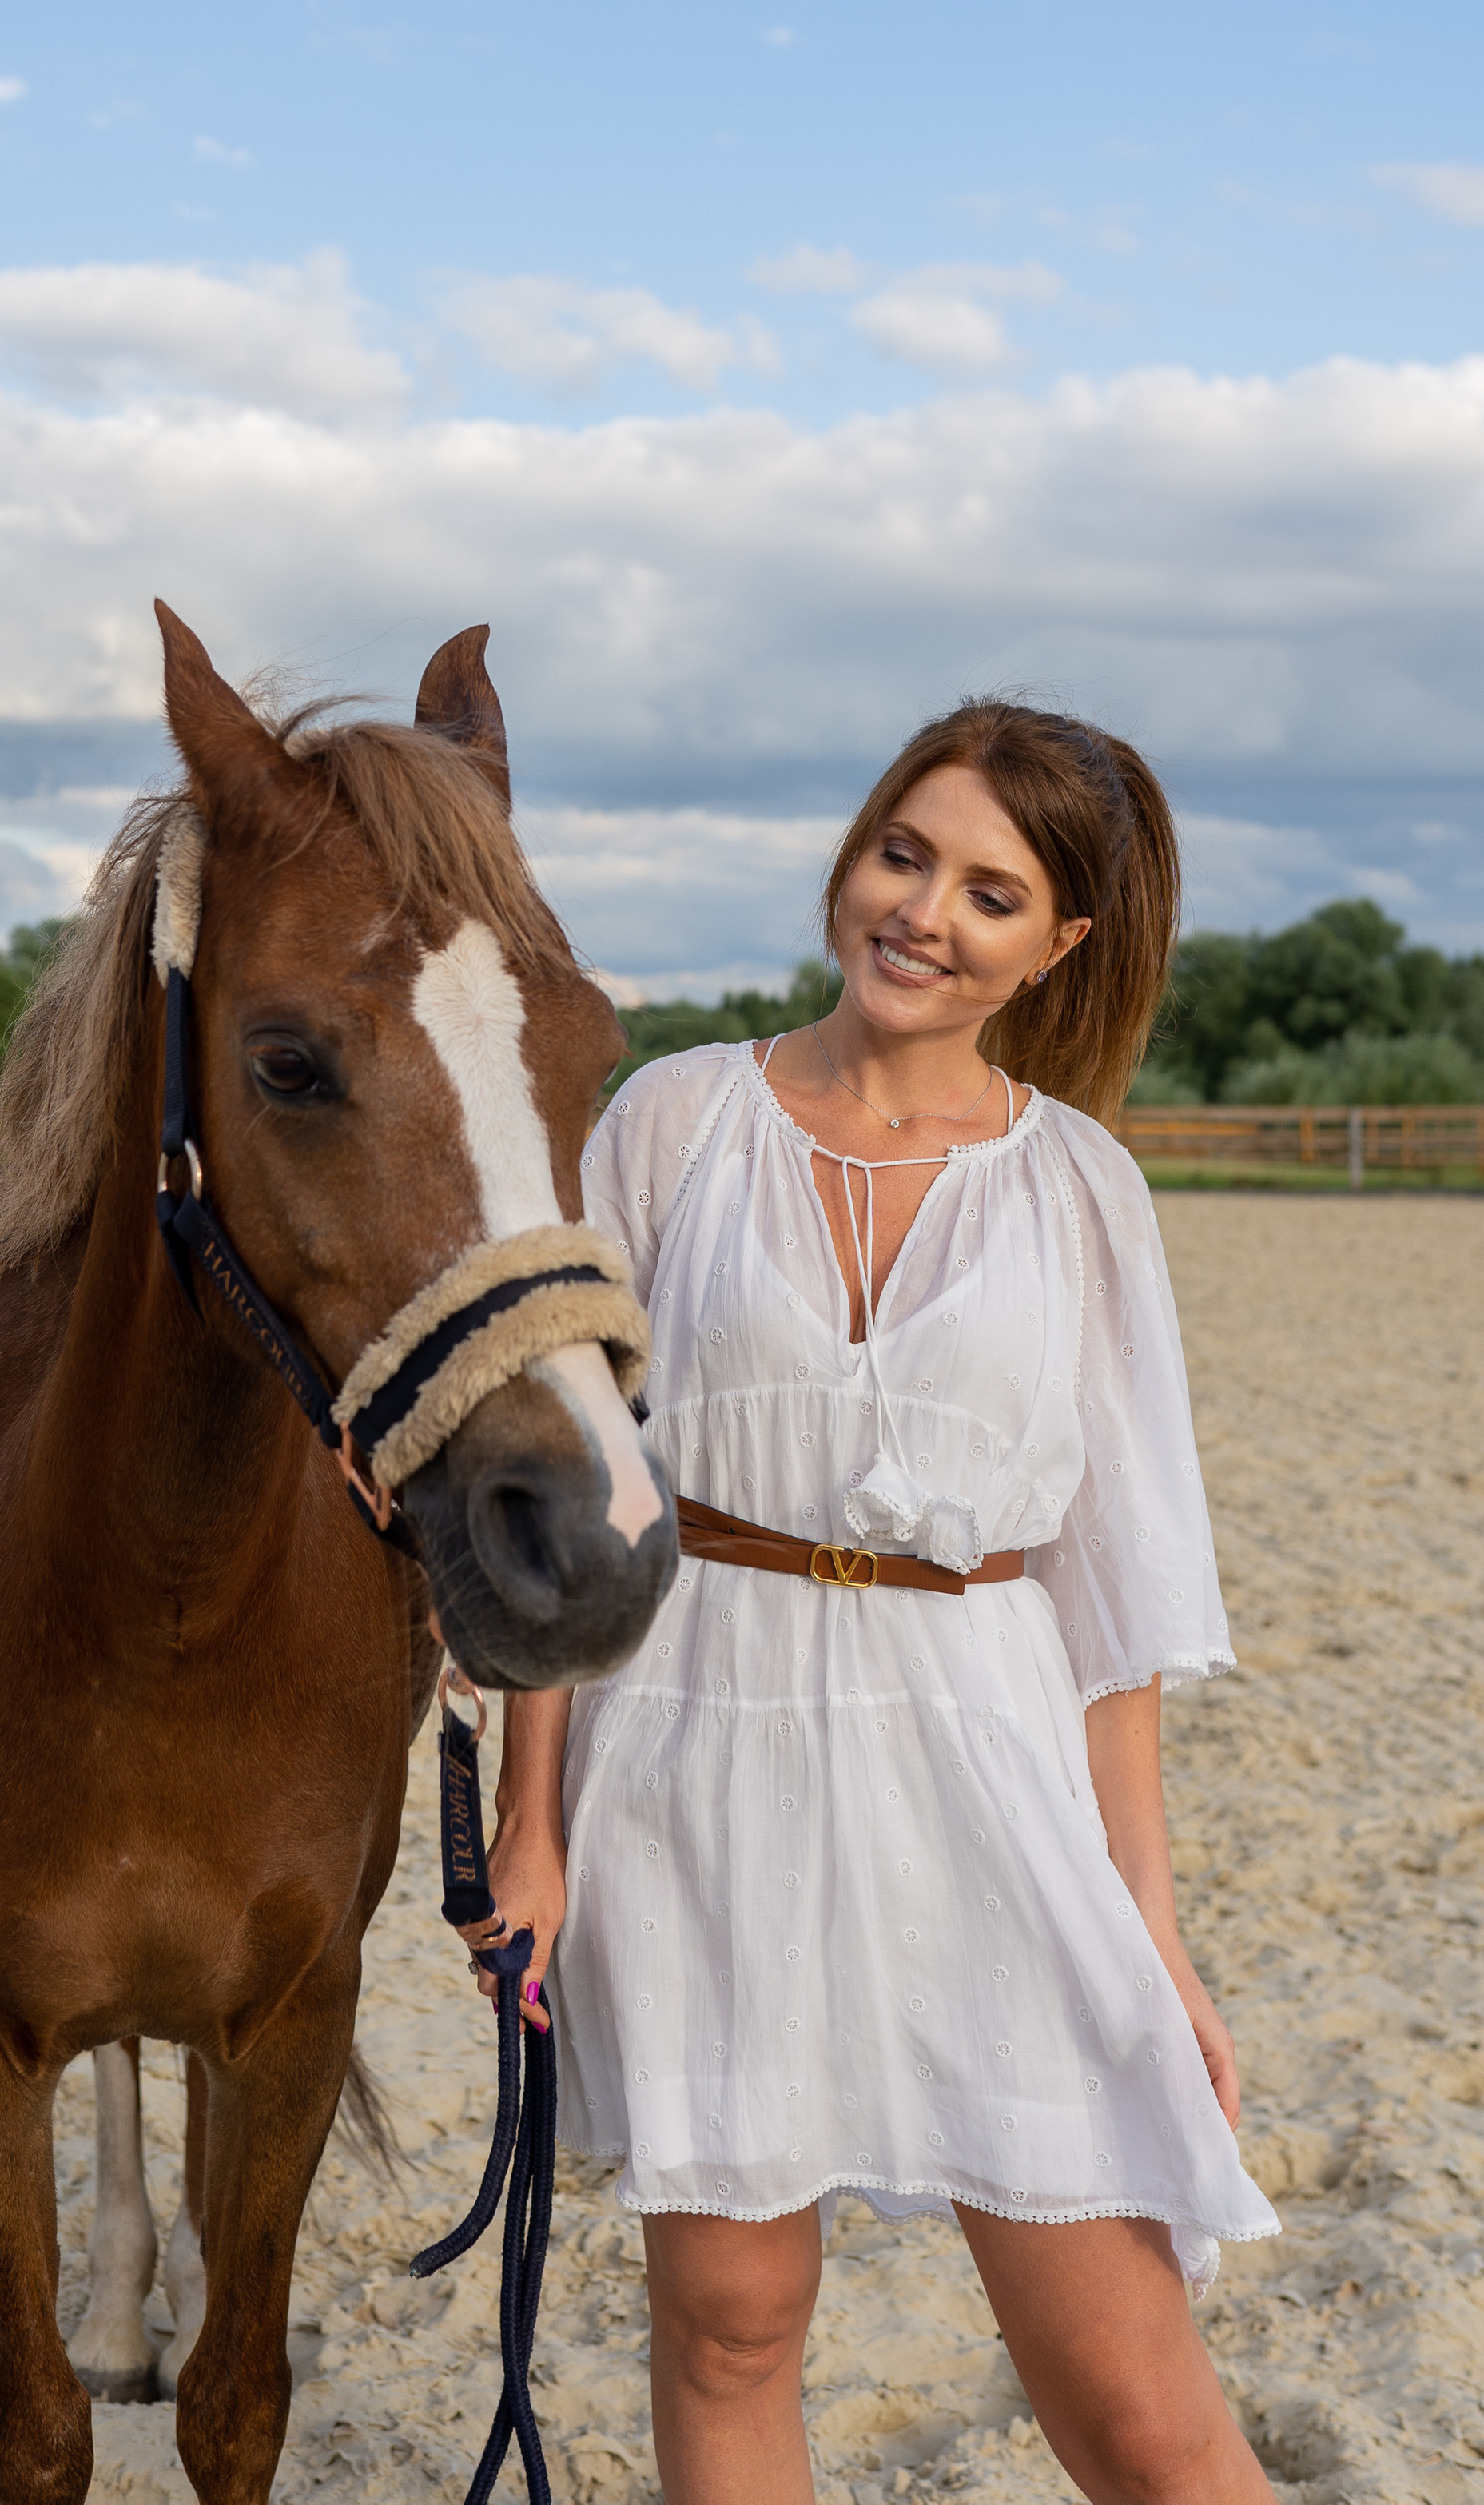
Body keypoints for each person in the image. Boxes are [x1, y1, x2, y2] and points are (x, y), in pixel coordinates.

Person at [471, 702, 1278, 2505]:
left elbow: (1110, 1600)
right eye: (900, 854)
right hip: (695, 1749)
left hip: (982, 1764)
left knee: (1132, 2397)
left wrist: (1149, 1929)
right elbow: (579, 1500)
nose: (921, 912)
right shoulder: (671, 1124)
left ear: (1055, 945)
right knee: (731, 2326)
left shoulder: (1077, 1189)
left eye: (989, 892)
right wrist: (531, 1828)